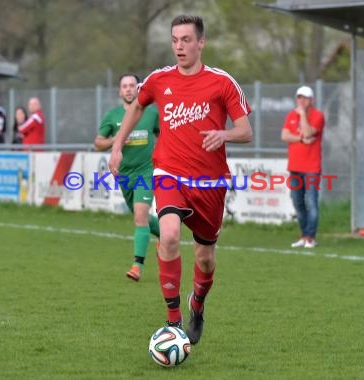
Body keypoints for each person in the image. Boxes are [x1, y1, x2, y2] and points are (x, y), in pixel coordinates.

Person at [108, 15, 252, 345]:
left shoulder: (222, 82)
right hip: (169, 172)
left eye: (186, 40)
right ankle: (173, 322)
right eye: (175, 40)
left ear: (201, 42)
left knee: (205, 256)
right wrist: (117, 145)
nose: (179, 46)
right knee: (169, 235)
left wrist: (224, 133)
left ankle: (196, 306)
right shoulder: (159, 79)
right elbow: (135, 107)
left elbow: (246, 130)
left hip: (210, 183)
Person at [94, 73, 160, 281]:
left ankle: (137, 265)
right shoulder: (113, 116)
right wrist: (117, 139)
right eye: (125, 86)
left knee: (140, 216)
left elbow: (164, 134)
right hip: (124, 175)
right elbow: (98, 143)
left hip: (146, 171)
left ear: (138, 89)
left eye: (132, 85)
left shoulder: (151, 114)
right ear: (119, 91)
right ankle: (166, 235)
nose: (129, 89)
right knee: (140, 218)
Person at [281, 85, 325, 248]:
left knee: (311, 202)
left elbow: (308, 132)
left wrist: (302, 117)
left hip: (312, 168)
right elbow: (284, 135)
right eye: (299, 97)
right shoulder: (290, 115)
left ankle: (311, 238)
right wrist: (300, 139)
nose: (301, 100)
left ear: (311, 100)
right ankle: (304, 235)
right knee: (297, 202)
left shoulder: (318, 116)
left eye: (305, 98)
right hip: (295, 167)